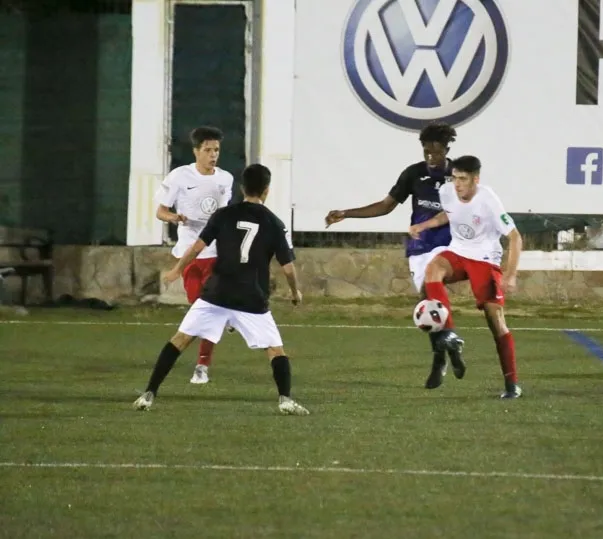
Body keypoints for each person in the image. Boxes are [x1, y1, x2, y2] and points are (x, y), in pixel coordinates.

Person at [134, 164, 310, 415]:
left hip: (217, 293)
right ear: (267, 190)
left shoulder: (223, 215)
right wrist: (295, 293)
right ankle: (285, 400)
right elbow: (289, 268)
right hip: (252, 297)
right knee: (274, 349)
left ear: (242, 188)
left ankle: (149, 394)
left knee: (180, 339)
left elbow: (196, 247)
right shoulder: (275, 223)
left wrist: (177, 269)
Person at [324, 122, 465, 389]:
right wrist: (346, 213)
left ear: (447, 149)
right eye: (426, 151)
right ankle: (444, 353)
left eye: (436, 152)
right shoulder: (413, 174)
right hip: (420, 246)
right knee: (428, 304)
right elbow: (385, 206)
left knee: (431, 292)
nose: (431, 157)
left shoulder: (459, 174)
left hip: (449, 244)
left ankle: (445, 351)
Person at [409, 155, 524, 398]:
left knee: (496, 321)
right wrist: (424, 225)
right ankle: (449, 334)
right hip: (459, 251)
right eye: (454, 178)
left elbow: (515, 237)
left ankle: (511, 384)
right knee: (432, 270)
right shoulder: (448, 192)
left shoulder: (488, 199)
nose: (457, 183)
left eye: (463, 179)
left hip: (485, 259)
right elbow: (448, 215)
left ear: (475, 180)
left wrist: (511, 274)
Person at [156, 126, 234, 385]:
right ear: (196, 151)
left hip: (214, 254)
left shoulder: (225, 179)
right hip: (189, 255)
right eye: (208, 150)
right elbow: (161, 211)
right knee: (198, 310)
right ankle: (227, 317)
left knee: (208, 311)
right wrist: (175, 217)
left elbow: (224, 215)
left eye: (217, 150)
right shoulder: (180, 176)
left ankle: (202, 365)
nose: (213, 155)